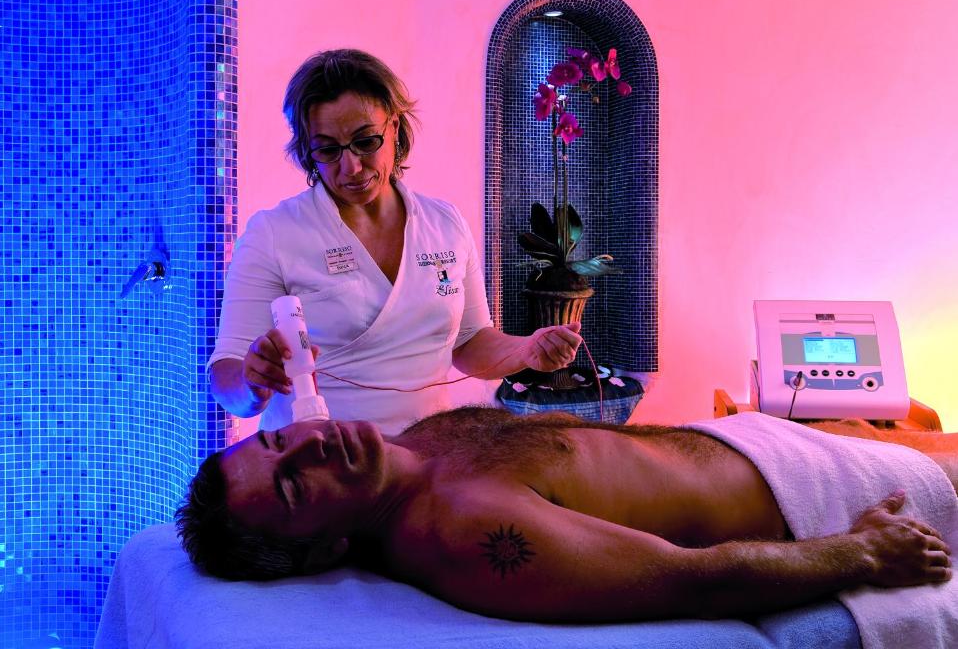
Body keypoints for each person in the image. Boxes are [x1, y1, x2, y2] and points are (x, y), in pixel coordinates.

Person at [176, 406, 957, 625]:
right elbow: (689, 581)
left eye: (278, 440)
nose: (310, 447)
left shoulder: (416, 442)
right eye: (294, 488)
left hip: (758, 440)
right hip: (811, 497)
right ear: (325, 550)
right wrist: (863, 552)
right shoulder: (465, 532)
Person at [208, 49, 582, 435]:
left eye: (366, 141)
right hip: (320, 454)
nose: (351, 167)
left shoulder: (444, 223)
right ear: (308, 151)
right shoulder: (275, 233)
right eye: (328, 150)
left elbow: (470, 343)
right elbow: (225, 378)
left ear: (395, 128)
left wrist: (526, 350)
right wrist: (252, 383)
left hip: (427, 454)